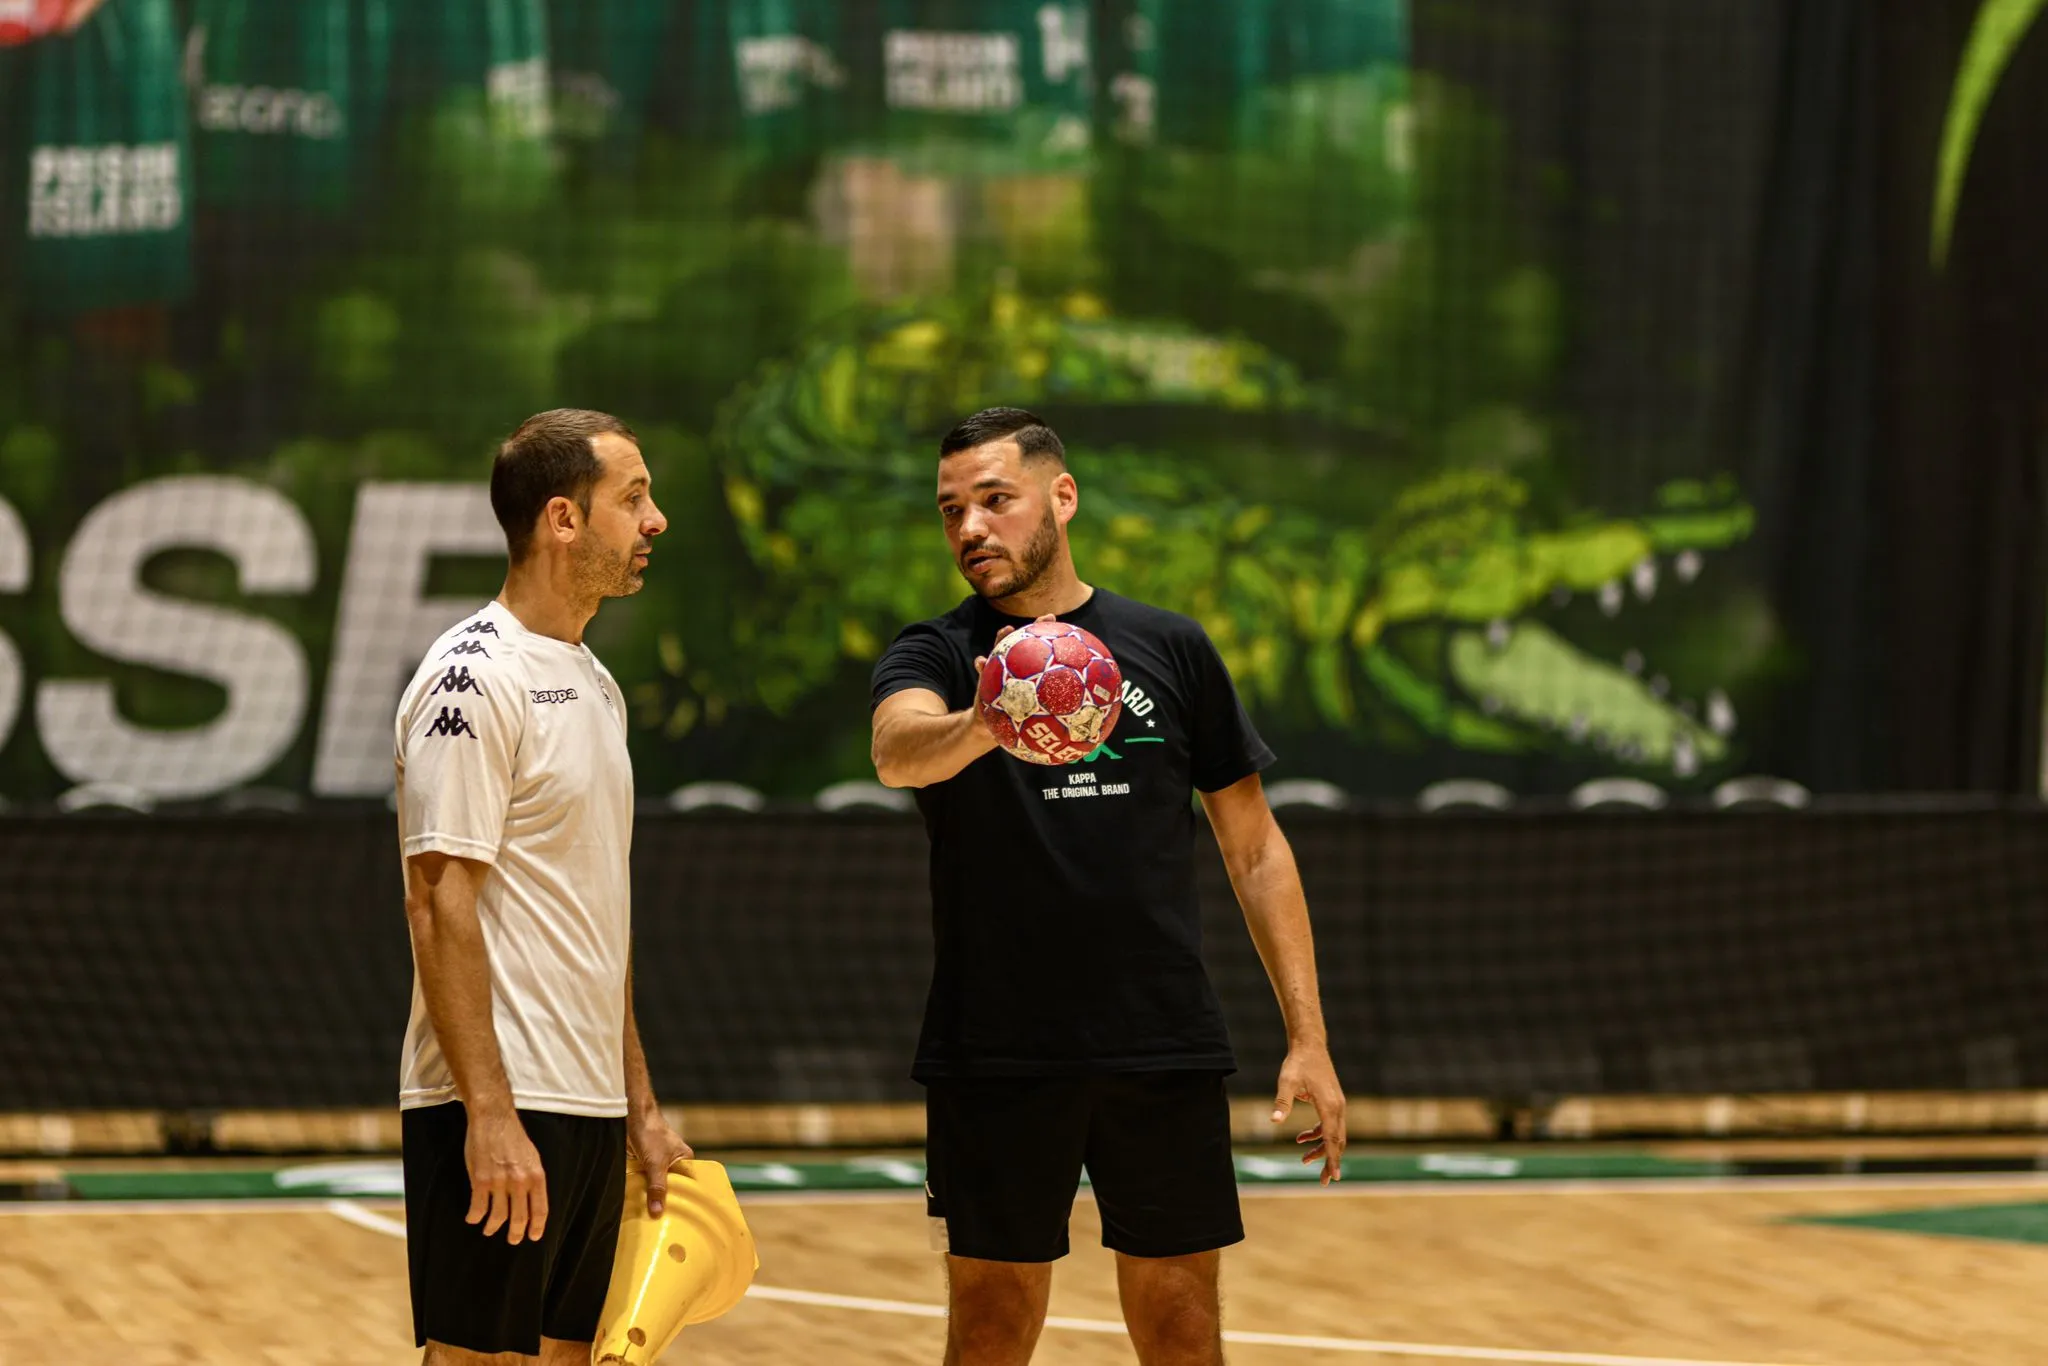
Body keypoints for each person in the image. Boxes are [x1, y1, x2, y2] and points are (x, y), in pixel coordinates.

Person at [869, 407, 1348, 1366]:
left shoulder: (1169, 647)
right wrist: (988, 721)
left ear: (1062, 496)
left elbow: (1254, 849)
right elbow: (895, 750)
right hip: (995, 1048)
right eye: (951, 509)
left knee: (1182, 1329)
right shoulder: (937, 652)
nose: (971, 528)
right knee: (991, 1331)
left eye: (995, 501)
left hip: (1158, 1039)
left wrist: (1309, 1038)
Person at [392, 408, 688, 1365]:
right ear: (563, 519)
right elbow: (438, 905)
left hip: (589, 1106)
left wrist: (637, 1104)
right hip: (500, 1105)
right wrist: (487, 1114)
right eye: (634, 498)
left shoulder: (595, 682)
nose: (656, 521)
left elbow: (597, 918)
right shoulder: (470, 679)